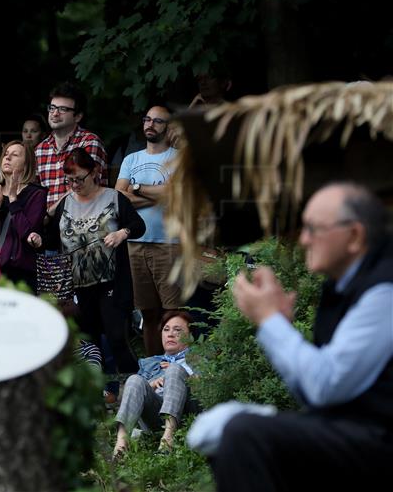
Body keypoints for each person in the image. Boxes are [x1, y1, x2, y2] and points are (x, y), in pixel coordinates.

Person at [207, 182, 393, 492]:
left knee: (243, 434)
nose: (303, 239)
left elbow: (324, 385)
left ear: (355, 235)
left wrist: (269, 321)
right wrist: (280, 325)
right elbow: (315, 392)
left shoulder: (384, 291)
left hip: (381, 443)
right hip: (357, 435)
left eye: (313, 229)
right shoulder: (341, 286)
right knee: (224, 434)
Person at [28, 148, 145, 385]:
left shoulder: (114, 197)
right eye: (69, 180)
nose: (74, 185)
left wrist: (123, 233)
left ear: (94, 173)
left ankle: (134, 386)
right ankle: (98, 393)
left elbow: (138, 225)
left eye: (79, 179)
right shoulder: (66, 203)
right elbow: (53, 239)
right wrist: (39, 240)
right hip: (78, 285)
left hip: (111, 281)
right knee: (88, 342)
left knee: (116, 337)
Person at [115, 105, 182, 355]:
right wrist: (158, 194)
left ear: (169, 127)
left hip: (169, 243)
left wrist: (136, 188)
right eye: (147, 119)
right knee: (148, 312)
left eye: (157, 121)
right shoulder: (131, 159)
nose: (150, 124)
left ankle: (176, 368)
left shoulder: (179, 158)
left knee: (173, 311)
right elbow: (119, 197)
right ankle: (153, 368)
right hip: (135, 244)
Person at [113, 310, 195, 459]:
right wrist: (151, 385)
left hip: (187, 413)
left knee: (175, 369)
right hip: (155, 417)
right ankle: (121, 444)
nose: (170, 334)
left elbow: (209, 385)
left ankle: (168, 439)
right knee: (134, 379)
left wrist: (181, 374)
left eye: (178, 330)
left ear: (190, 336)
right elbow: (132, 394)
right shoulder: (149, 363)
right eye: (166, 329)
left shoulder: (200, 357)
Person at [0, 140, 46, 291]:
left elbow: (28, 234)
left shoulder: (36, 194)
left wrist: (14, 201)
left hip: (25, 272)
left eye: (15, 155)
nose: (7, 158)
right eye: (6, 154)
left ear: (26, 164)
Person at [35, 81, 109, 210]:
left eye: (63, 109)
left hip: (83, 220)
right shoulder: (40, 149)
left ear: (78, 116)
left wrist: (50, 213)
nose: (55, 113)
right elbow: (35, 195)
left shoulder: (90, 143)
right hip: (47, 226)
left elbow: (86, 190)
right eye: (52, 108)